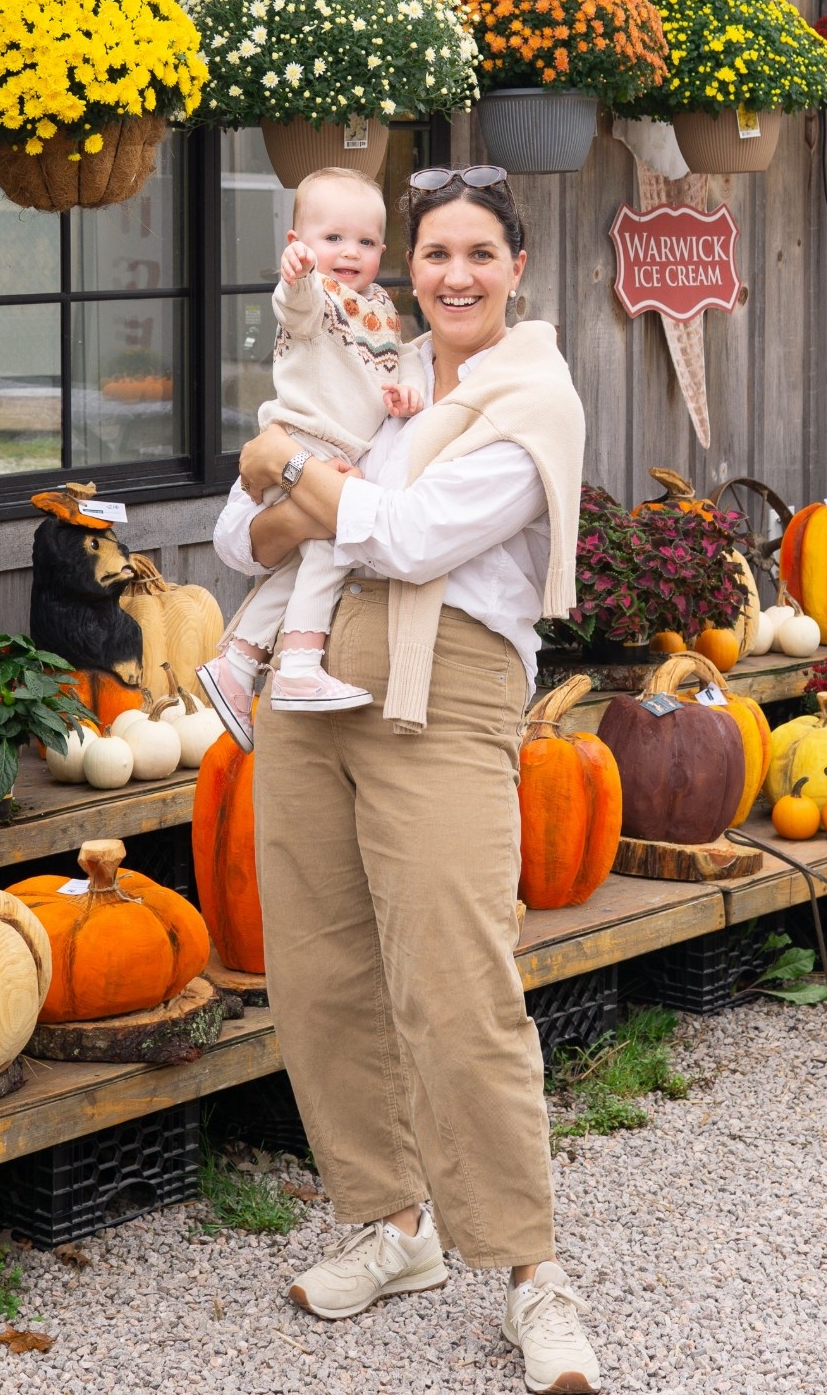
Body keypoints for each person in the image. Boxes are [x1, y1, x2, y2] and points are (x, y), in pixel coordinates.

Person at [212, 165, 603, 1395]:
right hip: (310, 687)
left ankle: (534, 1272)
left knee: (458, 982)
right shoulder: (374, 356)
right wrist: (292, 483)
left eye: (479, 253)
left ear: (517, 266)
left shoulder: (530, 395)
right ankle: (392, 1224)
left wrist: (280, 464)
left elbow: (415, 533)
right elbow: (237, 539)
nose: (454, 275)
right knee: (321, 965)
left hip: (446, 690)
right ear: (406, 265)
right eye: (434, 253)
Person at [200, 167, 424, 747]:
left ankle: (237, 663)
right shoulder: (316, 298)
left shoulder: (381, 309)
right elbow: (294, 309)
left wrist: (403, 394)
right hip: (305, 444)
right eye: (332, 239)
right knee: (331, 544)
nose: (350, 252)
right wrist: (297, 278)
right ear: (298, 244)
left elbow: (387, 370)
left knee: (303, 562)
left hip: (335, 451)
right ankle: (297, 665)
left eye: (366, 242)